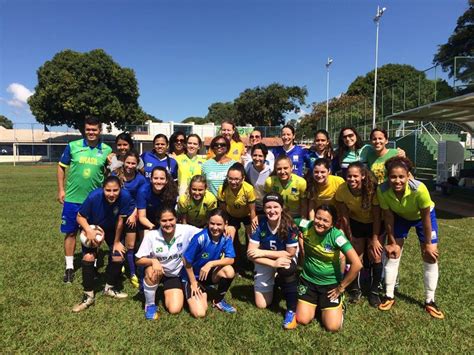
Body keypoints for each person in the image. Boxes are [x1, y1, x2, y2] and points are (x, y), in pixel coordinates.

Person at [377, 156, 444, 319]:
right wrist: (392, 242)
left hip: (423, 218)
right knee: (393, 253)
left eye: (401, 176)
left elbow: (426, 217)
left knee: (430, 255)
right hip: (400, 217)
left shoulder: (419, 189)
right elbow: (388, 216)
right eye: (393, 176)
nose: (397, 180)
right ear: (388, 177)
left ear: (408, 176)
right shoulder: (382, 190)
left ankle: (430, 300)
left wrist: (428, 244)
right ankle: (389, 295)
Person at [57, 116, 112, 283]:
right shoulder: (73, 146)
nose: (91, 132)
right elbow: (61, 166)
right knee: (71, 232)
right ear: (84, 130)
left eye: (94, 129)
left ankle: (92, 264)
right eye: (88, 129)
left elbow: (112, 172)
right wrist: (61, 189)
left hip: (95, 200)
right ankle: (69, 267)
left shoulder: (107, 150)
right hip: (73, 198)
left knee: (92, 232)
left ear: (100, 131)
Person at [72, 176, 135, 312]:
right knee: (88, 257)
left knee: (118, 255)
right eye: (108, 190)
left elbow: (120, 221)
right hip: (94, 229)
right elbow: (79, 216)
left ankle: (110, 288)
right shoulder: (93, 197)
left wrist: (117, 242)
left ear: (120, 189)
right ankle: (88, 295)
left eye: (115, 190)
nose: (111, 194)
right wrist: (88, 230)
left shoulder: (125, 196)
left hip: (112, 229)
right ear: (102, 189)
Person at [296, 204, 362, 332]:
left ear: (332, 224)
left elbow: (357, 264)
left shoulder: (337, 237)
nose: (320, 223)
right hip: (308, 280)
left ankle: (337, 305)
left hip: (330, 285)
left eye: (325, 220)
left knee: (332, 327)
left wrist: (341, 287)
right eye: (318, 218)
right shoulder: (306, 225)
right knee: (302, 320)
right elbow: (289, 221)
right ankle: (317, 305)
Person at [135, 206, 201, 320]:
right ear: (158, 221)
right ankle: (150, 305)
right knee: (174, 309)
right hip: (166, 274)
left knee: (196, 311)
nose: (168, 223)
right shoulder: (151, 236)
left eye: (171, 219)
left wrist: (225, 228)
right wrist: (153, 260)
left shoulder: (186, 230)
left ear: (176, 219)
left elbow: (206, 233)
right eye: (164, 221)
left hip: (184, 273)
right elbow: (138, 260)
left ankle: (185, 292)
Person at [247, 192, 299, 330]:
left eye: (276, 207)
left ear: (282, 208)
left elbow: (290, 253)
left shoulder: (290, 225)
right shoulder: (258, 223)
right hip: (266, 261)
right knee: (262, 304)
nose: (272, 211)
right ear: (263, 209)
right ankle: (276, 281)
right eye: (268, 207)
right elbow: (250, 254)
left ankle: (291, 309)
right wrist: (272, 263)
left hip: (283, 257)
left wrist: (263, 252)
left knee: (287, 268)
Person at [335, 162, 383, 307]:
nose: (352, 179)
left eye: (355, 176)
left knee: (375, 254)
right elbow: (344, 215)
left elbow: (376, 216)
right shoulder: (342, 190)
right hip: (356, 222)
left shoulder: (372, 189)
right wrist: (348, 234)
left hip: (374, 223)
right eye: (349, 176)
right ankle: (356, 289)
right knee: (356, 255)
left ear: (362, 176)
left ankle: (374, 291)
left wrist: (375, 239)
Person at [182, 209, 237, 317]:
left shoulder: (226, 237)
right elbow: (186, 261)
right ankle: (191, 292)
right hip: (191, 277)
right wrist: (193, 282)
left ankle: (218, 300)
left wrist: (211, 263)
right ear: (208, 222)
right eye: (212, 223)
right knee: (200, 313)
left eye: (219, 224)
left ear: (225, 224)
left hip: (207, 274)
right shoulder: (200, 238)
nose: (215, 227)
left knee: (229, 271)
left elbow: (231, 259)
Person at [112, 151, 147, 288]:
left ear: (137, 164)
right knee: (116, 242)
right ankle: (117, 269)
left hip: (133, 213)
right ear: (123, 162)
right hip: (116, 214)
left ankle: (132, 272)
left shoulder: (140, 179)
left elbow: (141, 198)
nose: (130, 166)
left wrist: (134, 213)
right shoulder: (116, 175)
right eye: (128, 162)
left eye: (133, 163)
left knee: (130, 246)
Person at [217, 162, 257, 266]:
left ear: (243, 178)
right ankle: (231, 262)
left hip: (246, 215)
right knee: (228, 237)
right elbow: (223, 210)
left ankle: (252, 263)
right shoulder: (222, 189)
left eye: (236, 179)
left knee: (252, 237)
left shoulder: (249, 189)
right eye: (230, 178)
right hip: (231, 215)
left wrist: (253, 225)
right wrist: (225, 224)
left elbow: (252, 210)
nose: (233, 182)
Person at [245, 143, 273, 214]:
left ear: (265, 157)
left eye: (260, 156)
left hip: (267, 206)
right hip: (253, 206)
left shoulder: (271, 171)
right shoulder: (247, 169)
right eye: (255, 155)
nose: (257, 158)